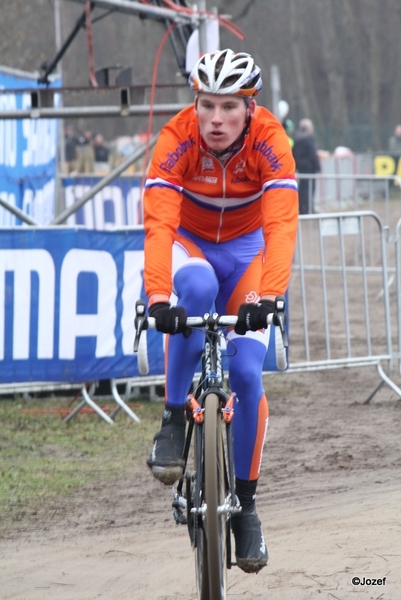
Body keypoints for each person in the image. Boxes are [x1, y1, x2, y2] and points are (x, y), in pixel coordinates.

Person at [142, 49, 298, 574]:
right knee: (197, 287)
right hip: (191, 248)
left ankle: (247, 507)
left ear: (249, 107)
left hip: (249, 254)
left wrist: (272, 296)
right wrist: (158, 296)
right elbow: (159, 224)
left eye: (228, 106)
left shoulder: (272, 142)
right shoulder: (177, 137)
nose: (214, 119)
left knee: (248, 373)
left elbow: (281, 225)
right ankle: (170, 418)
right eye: (206, 104)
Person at [291, 118, 321, 214]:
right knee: (310, 188)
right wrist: (318, 167)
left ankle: (302, 208)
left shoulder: (296, 138)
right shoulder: (309, 138)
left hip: (300, 167)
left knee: (302, 187)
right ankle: (309, 208)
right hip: (309, 167)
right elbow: (313, 153)